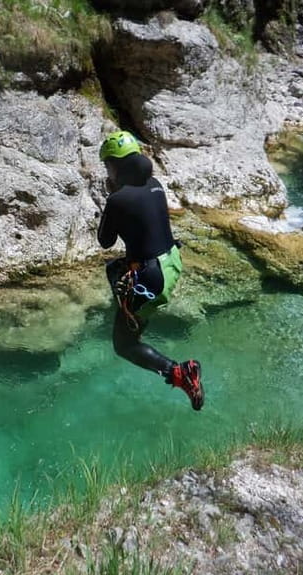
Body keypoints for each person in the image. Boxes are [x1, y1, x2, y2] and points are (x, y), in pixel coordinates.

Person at [97, 130, 204, 410]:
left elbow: (105, 240)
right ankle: (132, 316)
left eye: (108, 165)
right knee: (114, 269)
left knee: (124, 345)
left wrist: (112, 197)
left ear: (117, 166)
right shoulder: (156, 184)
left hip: (149, 277)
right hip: (171, 263)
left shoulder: (118, 199)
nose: (107, 170)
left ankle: (180, 373)